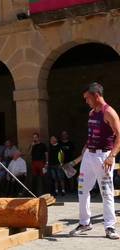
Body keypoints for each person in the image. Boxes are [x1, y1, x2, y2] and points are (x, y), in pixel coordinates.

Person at [69, 82, 120, 239]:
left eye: (87, 98)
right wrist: (83, 152)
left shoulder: (109, 112)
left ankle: (110, 226)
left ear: (96, 95)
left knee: (106, 192)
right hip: (89, 156)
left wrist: (112, 156)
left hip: (103, 157)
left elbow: (119, 135)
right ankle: (85, 223)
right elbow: (91, 135)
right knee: (82, 189)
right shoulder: (92, 113)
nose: (86, 101)